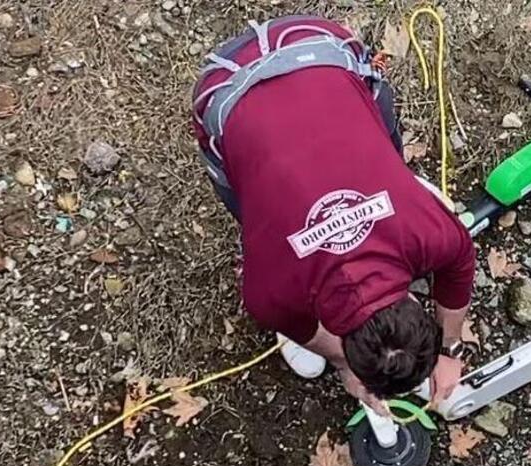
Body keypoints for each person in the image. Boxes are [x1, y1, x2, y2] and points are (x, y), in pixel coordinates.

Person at [191, 15, 475, 413]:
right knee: (252, 207)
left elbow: (459, 265)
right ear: (413, 298)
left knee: (270, 201)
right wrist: (346, 366)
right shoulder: (271, 295)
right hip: (239, 78)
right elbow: (457, 270)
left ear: (414, 301)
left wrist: (448, 349)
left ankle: (388, 180)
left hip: (313, 46)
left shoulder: (430, 234)